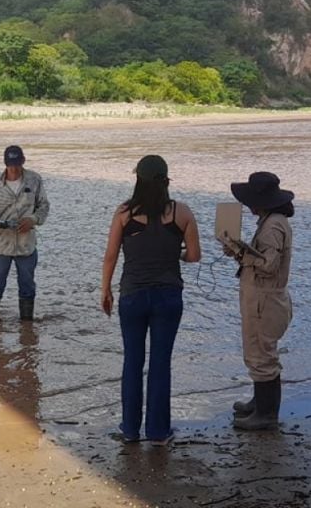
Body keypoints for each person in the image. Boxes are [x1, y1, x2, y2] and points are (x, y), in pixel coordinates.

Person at [100, 155, 201, 443]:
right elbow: (194, 256)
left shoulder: (124, 213)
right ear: (166, 180)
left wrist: (105, 290)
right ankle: (158, 431)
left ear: (138, 180)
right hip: (168, 297)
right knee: (160, 363)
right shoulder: (181, 213)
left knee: (132, 361)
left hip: (132, 295)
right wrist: (175, 253)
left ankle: (130, 430)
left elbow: (110, 257)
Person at [225, 172, 295, 431]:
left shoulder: (273, 226)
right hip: (265, 298)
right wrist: (240, 252)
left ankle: (266, 414)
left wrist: (241, 253)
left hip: (264, 301)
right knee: (258, 352)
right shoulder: (273, 221)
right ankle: (261, 403)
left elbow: (268, 265)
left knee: (261, 353)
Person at [0, 145, 50, 324]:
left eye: (18, 164)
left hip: (26, 246)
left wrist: (33, 220)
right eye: (11, 165)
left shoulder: (35, 180)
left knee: (27, 288)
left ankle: (27, 328)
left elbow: (43, 206)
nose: (15, 169)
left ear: (23, 161)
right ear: (5, 164)